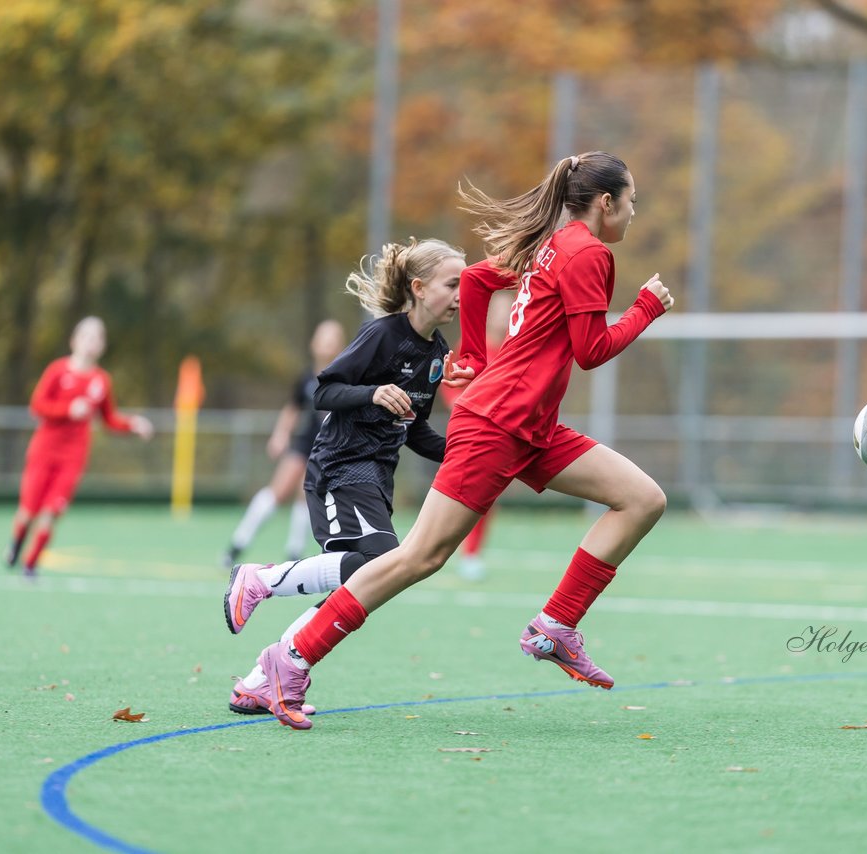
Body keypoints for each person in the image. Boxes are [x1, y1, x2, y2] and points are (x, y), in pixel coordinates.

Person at [246, 150, 674, 730]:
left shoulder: (552, 244)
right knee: (421, 556)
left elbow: (473, 280)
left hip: (531, 426)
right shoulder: (589, 252)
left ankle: (555, 626)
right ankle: (288, 659)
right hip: (499, 423)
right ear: (606, 203)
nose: (633, 213)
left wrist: (473, 353)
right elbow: (591, 351)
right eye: (631, 202)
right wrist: (646, 308)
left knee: (642, 499)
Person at [223, 238, 465, 715]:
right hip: (339, 469)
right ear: (418, 288)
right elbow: (326, 390)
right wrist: (373, 393)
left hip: (376, 477)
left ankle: (258, 681)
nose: (462, 295)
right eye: (453, 284)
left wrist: (470, 453)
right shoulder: (381, 335)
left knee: (359, 583)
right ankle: (260, 579)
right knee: (380, 565)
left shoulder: (437, 354)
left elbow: (415, 430)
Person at [5, 316, 154, 575]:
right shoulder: (57, 370)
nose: (91, 343)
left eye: (97, 338)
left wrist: (133, 424)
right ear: (74, 340)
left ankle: (30, 566)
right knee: (28, 511)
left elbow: (109, 420)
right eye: (86, 336)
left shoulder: (101, 381)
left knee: (52, 511)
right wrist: (68, 409)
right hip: (44, 450)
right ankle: (16, 544)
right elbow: (37, 406)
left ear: (102, 346)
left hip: (73, 457)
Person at [223, 320, 347, 567]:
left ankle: (293, 554)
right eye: (323, 337)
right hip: (304, 444)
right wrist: (280, 435)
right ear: (313, 343)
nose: (327, 343)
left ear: (341, 346)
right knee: (277, 491)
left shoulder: (345, 376)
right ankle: (236, 546)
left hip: (328, 448)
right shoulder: (306, 378)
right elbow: (292, 409)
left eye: (333, 339)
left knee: (306, 496)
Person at [440, 288, 516, 581]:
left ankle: (471, 554)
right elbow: (450, 380)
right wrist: (455, 402)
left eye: (508, 311)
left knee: (487, 496)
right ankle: (439, 546)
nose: (502, 316)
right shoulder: (473, 344)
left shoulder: (515, 347)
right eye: (497, 310)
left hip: (498, 435)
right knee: (455, 492)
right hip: (467, 430)